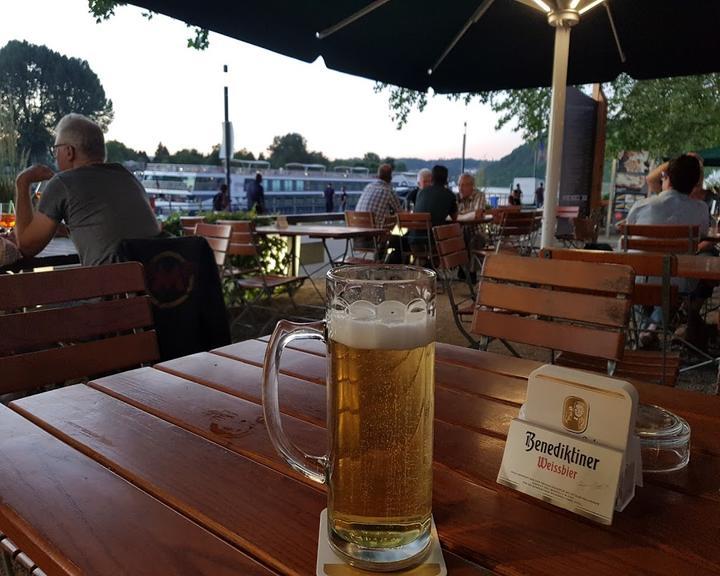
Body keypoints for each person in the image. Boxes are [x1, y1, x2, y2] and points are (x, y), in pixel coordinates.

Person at [14, 113, 160, 266]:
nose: (55, 156)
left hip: (111, 286)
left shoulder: (63, 182)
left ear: (69, 152)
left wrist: (22, 183)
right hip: (154, 283)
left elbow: (26, 247)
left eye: (56, 149)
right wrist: (66, 229)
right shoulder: (127, 177)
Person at [629, 154, 711, 348]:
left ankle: (646, 328)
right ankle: (653, 327)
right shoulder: (700, 209)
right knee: (671, 272)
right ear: (694, 184)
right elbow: (704, 236)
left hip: (639, 279)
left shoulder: (641, 206)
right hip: (680, 283)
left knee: (658, 269)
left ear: (668, 178)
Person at [410, 165, 458, 253]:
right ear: (446, 179)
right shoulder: (449, 195)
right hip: (434, 242)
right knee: (458, 237)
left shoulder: (421, 192)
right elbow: (455, 218)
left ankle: (429, 264)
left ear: (432, 177)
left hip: (413, 241)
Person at [355, 163, 402, 228]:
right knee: (399, 229)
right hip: (375, 231)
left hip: (358, 228)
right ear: (390, 177)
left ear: (378, 175)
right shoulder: (388, 191)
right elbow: (400, 212)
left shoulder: (368, 187)